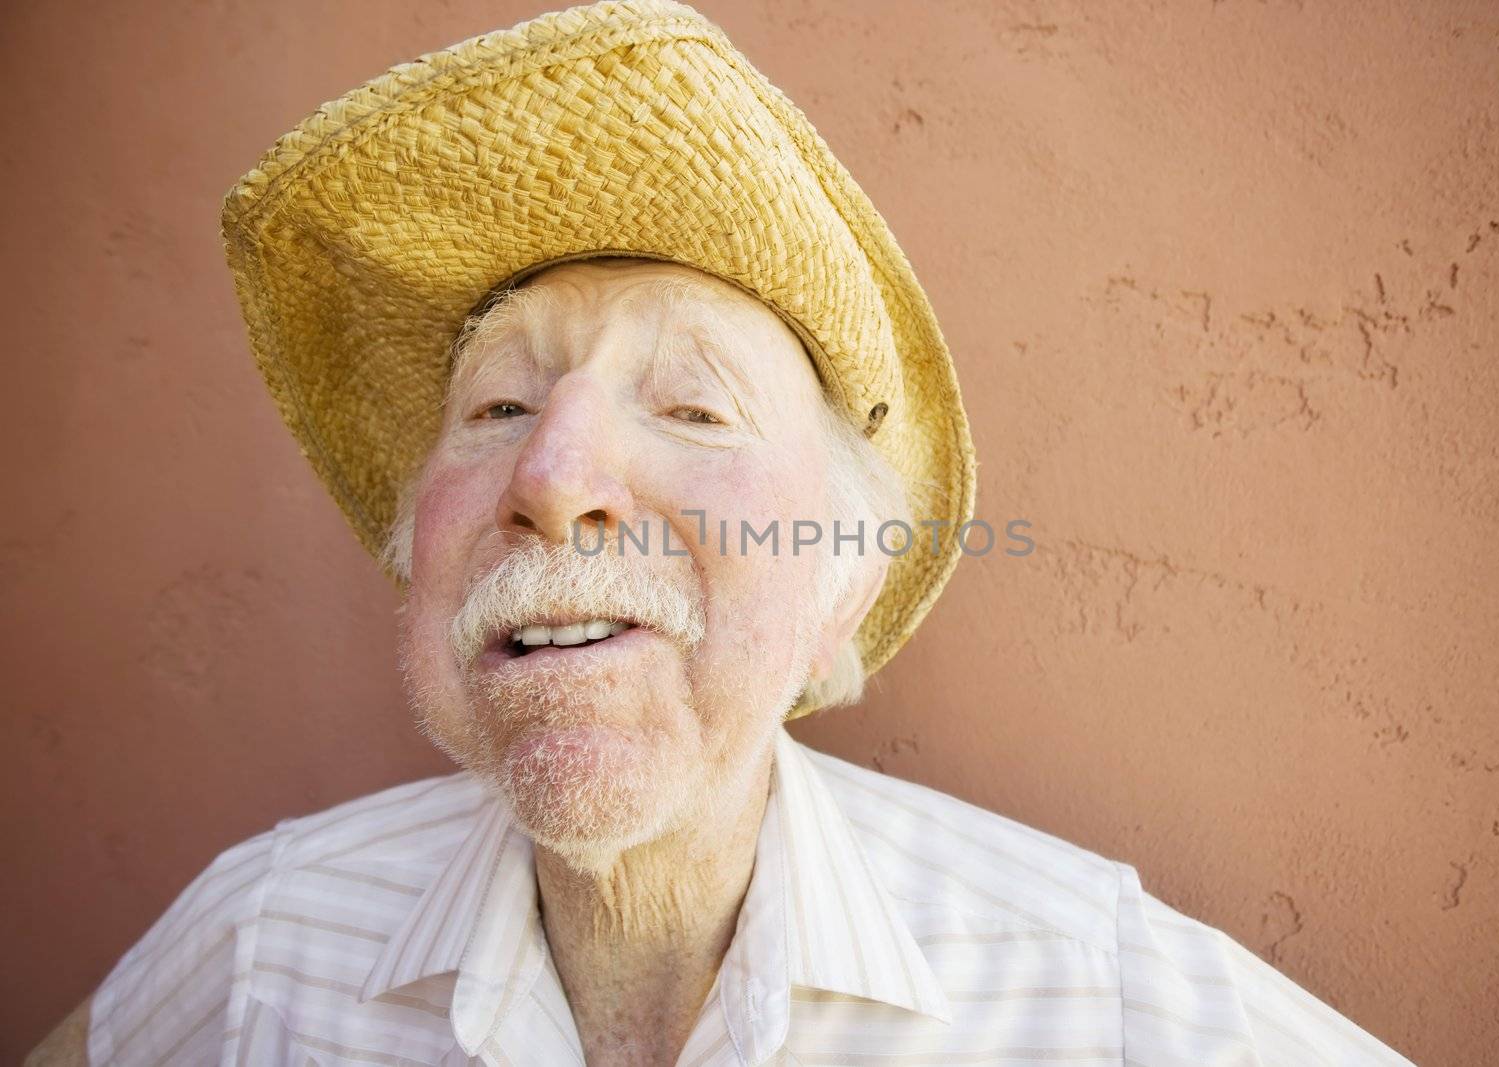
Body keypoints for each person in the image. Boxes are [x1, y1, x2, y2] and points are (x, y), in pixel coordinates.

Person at [30, 1, 1412, 1063]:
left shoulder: (1090, 993)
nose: (556, 476)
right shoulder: (264, 943)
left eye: (692, 409)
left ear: (838, 583)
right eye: (498, 402)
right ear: (415, 557)